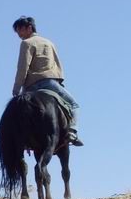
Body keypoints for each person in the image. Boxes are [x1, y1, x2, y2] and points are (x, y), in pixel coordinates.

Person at [12, 16, 83, 146]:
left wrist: (17, 88)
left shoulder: (26, 43)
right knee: (73, 105)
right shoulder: (49, 43)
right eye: (17, 32)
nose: (19, 34)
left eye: (20, 30)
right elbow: (57, 64)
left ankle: (20, 140)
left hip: (31, 87)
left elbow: (23, 67)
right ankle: (72, 132)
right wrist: (58, 81)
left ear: (29, 27)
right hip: (50, 83)